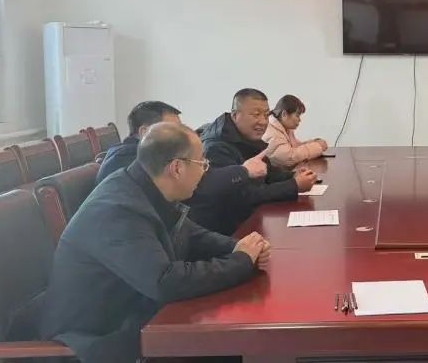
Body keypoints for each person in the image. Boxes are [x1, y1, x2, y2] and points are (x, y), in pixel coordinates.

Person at [40, 123, 270, 363]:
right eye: (202, 163)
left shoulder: (142, 186)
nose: (205, 170)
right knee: (231, 347)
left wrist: (237, 247)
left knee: (231, 340)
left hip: (137, 316)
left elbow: (190, 233)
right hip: (99, 340)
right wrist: (240, 261)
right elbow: (165, 282)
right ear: (177, 168)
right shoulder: (117, 210)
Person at [190, 88, 318, 234]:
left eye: (266, 115)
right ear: (235, 115)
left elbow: (267, 172)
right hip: (228, 231)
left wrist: (292, 176)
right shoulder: (216, 147)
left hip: (251, 222)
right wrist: (293, 185)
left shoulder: (247, 136)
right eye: (256, 115)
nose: (263, 122)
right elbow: (243, 196)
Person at [96, 101, 182, 184]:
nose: (181, 135)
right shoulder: (128, 159)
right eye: (172, 129)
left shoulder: (132, 152)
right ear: (145, 132)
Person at [262, 94, 329, 168]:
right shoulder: (271, 132)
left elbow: (296, 148)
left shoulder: (284, 128)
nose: (300, 120)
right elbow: (289, 158)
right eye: (297, 115)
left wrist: (314, 142)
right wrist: (318, 146)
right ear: (284, 114)